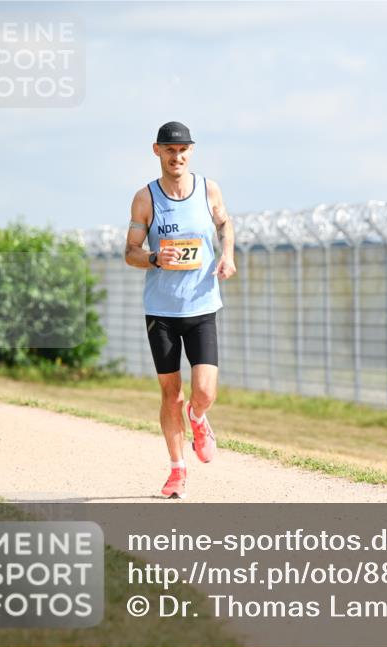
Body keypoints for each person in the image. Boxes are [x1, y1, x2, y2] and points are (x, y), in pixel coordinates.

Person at [124, 121, 236, 499]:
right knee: (171, 393)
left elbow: (225, 224)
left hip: (202, 305)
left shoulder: (209, 189)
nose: (178, 156)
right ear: (157, 151)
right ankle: (177, 470)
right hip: (161, 310)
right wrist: (155, 257)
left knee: (203, 391)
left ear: (192, 151)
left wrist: (228, 255)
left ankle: (199, 418)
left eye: (184, 150)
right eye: (170, 150)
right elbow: (130, 252)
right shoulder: (145, 198)